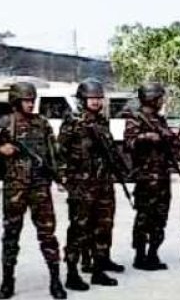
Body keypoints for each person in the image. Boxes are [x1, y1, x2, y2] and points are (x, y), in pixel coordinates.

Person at [0, 82, 66, 299]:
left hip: (40, 186)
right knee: (11, 235)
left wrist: (59, 175)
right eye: (26, 100)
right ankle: (7, 282)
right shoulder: (5, 124)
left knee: (47, 234)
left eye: (32, 100)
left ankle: (55, 280)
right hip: (15, 187)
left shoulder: (42, 123)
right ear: (15, 101)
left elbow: (54, 152)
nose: (31, 104)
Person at [58, 78, 124, 290]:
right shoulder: (73, 121)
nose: (96, 102)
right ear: (82, 100)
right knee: (79, 229)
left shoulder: (101, 122)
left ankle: (98, 269)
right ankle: (72, 272)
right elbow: (60, 152)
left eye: (98, 98)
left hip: (103, 182)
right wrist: (63, 178)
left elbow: (110, 150)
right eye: (91, 98)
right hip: (81, 184)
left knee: (103, 226)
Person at [123, 82, 179, 271]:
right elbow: (128, 143)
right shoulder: (136, 118)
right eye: (160, 98)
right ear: (151, 98)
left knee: (160, 217)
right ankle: (140, 255)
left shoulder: (160, 120)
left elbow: (173, 144)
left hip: (162, 176)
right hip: (146, 178)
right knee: (144, 217)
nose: (162, 101)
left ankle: (153, 253)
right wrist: (146, 137)